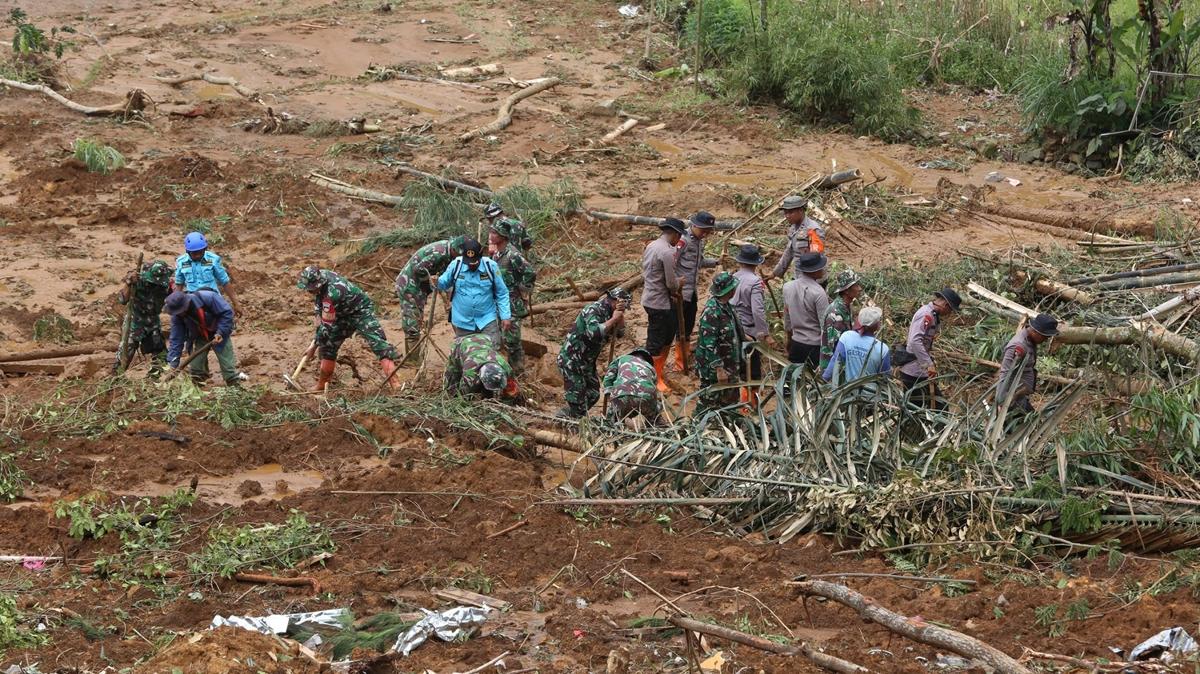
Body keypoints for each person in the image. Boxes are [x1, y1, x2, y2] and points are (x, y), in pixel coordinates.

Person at [297, 267, 401, 393]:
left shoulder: (332, 293)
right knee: (328, 346)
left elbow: (326, 327)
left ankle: (396, 385)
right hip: (340, 315)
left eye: (311, 288)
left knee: (379, 344)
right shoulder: (321, 276)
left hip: (360, 311)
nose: (309, 291)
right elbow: (319, 315)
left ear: (319, 284)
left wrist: (313, 348)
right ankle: (322, 385)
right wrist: (316, 342)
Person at [557, 288, 632, 419]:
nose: (624, 309)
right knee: (577, 399)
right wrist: (614, 319)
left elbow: (620, 333)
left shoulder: (612, 311)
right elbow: (594, 332)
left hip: (587, 362)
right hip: (572, 361)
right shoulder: (593, 310)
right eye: (624, 306)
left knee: (593, 394)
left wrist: (619, 316)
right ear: (615, 301)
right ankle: (573, 421)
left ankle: (570, 414)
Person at [394, 235, 468, 345]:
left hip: (420, 288)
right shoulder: (439, 254)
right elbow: (418, 270)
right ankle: (412, 360)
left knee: (417, 319)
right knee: (413, 324)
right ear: (454, 250)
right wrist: (437, 284)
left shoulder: (451, 254)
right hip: (409, 286)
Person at [437, 238, 512, 344]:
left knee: (491, 353)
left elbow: (502, 292)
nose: (471, 264)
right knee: (466, 354)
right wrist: (437, 281)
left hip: (487, 319)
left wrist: (505, 316)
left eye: (474, 262)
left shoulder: (491, 266)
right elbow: (443, 284)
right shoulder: (456, 265)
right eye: (468, 262)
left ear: (481, 257)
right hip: (463, 321)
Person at [642, 218, 686, 392]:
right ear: (675, 234)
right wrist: (679, 282)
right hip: (659, 301)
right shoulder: (667, 252)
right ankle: (651, 378)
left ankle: (657, 374)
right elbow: (670, 283)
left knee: (664, 336)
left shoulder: (651, 246)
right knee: (657, 341)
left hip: (650, 298)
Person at [164, 288, 241, 386]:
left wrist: (220, 332)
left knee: (228, 367)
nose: (179, 314)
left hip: (220, 332)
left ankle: (234, 386)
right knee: (196, 368)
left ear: (186, 305)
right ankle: (199, 389)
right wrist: (173, 363)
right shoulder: (177, 316)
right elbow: (176, 339)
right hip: (200, 335)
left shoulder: (209, 298)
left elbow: (227, 313)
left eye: (180, 311)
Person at [489, 218, 537, 374]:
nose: (491, 235)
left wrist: (522, 289)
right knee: (500, 339)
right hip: (499, 303)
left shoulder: (512, 255)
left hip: (512, 305)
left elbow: (529, 272)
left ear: (503, 236)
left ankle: (518, 371)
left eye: (494, 232)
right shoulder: (496, 254)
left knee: (512, 341)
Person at [899, 287, 961, 406]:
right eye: (951, 310)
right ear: (946, 305)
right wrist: (929, 364)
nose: (949, 314)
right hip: (913, 372)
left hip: (919, 371)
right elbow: (915, 341)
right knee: (915, 409)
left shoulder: (932, 315)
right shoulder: (926, 314)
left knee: (933, 407)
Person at [694, 272, 744, 415]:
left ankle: (730, 427)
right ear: (729, 290)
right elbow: (709, 343)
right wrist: (719, 369)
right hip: (715, 369)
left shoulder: (728, 307)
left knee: (730, 401)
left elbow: (732, 328)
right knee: (709, 402)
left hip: (731, 364)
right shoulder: (712, 311)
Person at [673, 211, 718, 371]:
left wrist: (716, 261)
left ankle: (684, 357)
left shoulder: (699, 241)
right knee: (679, 326)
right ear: (695, 225)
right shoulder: (683, 240)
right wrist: (673, 286)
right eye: (704, 230)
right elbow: (672, 262)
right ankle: (680, 362)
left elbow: (699, 262)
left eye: (708, 231)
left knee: (689, 325)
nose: (706, 234)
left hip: (691, 291)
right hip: (679, 293)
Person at [730, 244, 771, 407]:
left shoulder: (732, 277)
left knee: (736, 366)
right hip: (749, 331)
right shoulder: (755, 282)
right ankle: (750, 404)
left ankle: (740, 401)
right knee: (752, 370)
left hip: (733, 329)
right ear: (756, 264)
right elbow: (758, 311)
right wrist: (764, 333)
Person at [117, 260, 172, 377]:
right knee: (126, 352)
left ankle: (155, 378)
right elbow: (122, 300)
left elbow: (175, 298)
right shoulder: (137, 281)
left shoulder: (166, 284)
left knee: (160, 355)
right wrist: (128, 283)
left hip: (153, 322)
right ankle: (115, 378)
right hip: (135, 322)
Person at [996, 313, 1058, 414]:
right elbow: (1006, 374)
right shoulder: (1018, 346)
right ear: (1035, 332)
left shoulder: (1030, 341)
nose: (1046, 340)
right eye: (1044, 336)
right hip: (1011, 400)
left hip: (1020, 396)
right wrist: (1002, 401)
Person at [174, 232, 241, 314]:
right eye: (194, 253)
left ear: (205, 249)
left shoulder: (213, 259)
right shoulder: (181, 262)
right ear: (188, 251)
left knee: (225, 319)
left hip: (213, 299)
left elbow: (225, 281)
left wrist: (236, 304)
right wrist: (176, 305)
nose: (198, 255)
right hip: (194, 301)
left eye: (200, 252)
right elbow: (179, 284)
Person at [823, 306, 891, 386]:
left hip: (847, 393)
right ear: (877, 325)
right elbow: (885, 377)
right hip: (871, 396)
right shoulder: (883, 349)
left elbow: (836, 361)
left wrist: (824, 379)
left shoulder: (846, 337)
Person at [782, 253, 829, 368]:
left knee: (793, 380)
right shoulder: (819, 293)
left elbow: (787, 316)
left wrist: (789, 340)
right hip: (814, 346)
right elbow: (825, 326)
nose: (824, 269)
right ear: (815, 270)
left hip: (796, 343)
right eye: (821, 267)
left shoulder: (787, 287)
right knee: (814, 383)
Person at [765, 196, 825, 281]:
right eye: (785, 213)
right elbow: (788, 252)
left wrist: (811, 283)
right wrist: (775, 273)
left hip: (812, 279)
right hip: (799, 276)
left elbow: (817, 258)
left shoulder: (813, 229)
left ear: (801, 210)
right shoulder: (793, 229)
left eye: (790, 213)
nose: (787, 216)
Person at [444, 333, 519, 400]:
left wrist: (507, 398)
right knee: (453, 380)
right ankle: (448, 397)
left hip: (483, 339)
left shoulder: (505, 367)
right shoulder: (470, 373)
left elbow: (512, 387)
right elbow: (464, 395)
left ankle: (487, 392)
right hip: (460, 345)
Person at [602, 347, 662, 426]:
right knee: (654, 419)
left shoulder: (622, 358)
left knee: (612, 421)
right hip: (646, 398)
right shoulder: (651, 368)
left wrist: (610, 397)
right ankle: (655, 430)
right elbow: (653, 389)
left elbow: (608, 380)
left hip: (622, 395)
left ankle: (611, 429)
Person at [820, 270, 863, 372]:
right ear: (847, 291)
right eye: (856, 286)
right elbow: (835, 347)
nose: (859, 288)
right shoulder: (836, 313)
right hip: (833, 368)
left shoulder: (846, 306)